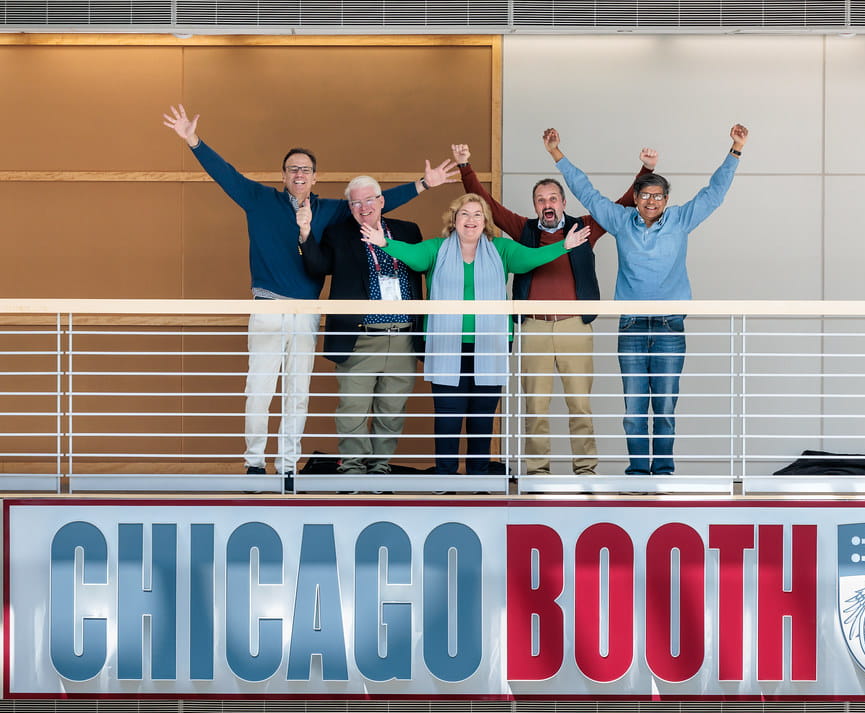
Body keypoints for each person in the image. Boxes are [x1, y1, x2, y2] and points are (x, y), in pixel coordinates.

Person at [161, 104, 455, 485]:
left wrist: (424, 184)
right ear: (283, 175)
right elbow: (226, 175)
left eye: (305, 170)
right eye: (292, 169)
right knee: (260, 387)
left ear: (315, 178)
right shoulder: (258, 200)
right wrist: (193, 141)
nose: (299, 174)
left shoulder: (330, 211)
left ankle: (286, 466)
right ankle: (254, 463)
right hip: (268, 305)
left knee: (297, 392)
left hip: (308, 312)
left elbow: (371, 206)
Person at [544, 124, 748, 476]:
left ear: (666, 200)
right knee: (635, 408)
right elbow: (587, 194)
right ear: (635, 199)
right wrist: (556, 155)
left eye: (658, 196)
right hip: (632, 327)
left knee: (665, 406)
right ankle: (639, 473)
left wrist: (736, 149)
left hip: (670, 327)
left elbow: (714, 193)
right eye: (645, 195)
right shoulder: (622, 221)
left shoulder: (681, 220)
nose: (651, 201)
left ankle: (664, 472)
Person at [450, 141, 656, 477]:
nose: (547, 204)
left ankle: (586, 471)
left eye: (552, 198)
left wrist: (645, 171)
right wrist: (465, 167)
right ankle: (537, 474)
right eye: (541, 200)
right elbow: (487, 204)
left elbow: (620, 206)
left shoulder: (584, 227)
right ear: (535, 205)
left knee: (580, 406)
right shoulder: (524, 230)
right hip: (533, 328)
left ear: (563, 202)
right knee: (536, 408)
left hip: (575, 326)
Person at [359, 193, 590, 476]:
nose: (471, 220)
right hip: (446, 348)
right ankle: (445, 476)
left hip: (489, 348)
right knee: (447, 419)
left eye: (477, 214)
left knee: (482, 418)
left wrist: (563, 247)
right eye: (464, 214)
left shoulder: (502, 249)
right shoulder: (436, 248)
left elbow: (530, 259)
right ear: (454, 220)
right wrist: (385, 244)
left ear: (486, 221)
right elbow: (414, 258)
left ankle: (480, 475)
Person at [299, 175, 423, 477]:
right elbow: (318, 265)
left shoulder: (408, 231)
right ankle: (353, 471)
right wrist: (305, 233)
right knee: (352, 411)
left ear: (381, 201)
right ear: (350, 208)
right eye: (355, 202)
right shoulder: (338, 234)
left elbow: (424, 263)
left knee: (391, 412)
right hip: (360, 337)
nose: (363, 207)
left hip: (403, 337)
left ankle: (379, 470)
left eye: (369, 200)